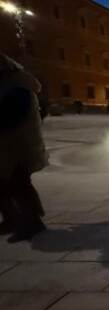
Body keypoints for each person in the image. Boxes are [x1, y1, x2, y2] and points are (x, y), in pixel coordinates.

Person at [0, 54, 48, 242]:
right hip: (13, 145)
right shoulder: (12, 85)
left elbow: (8, 118)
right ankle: (15, 218)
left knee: (17, 182)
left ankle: (32, 221)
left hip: (17, 146)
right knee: (8, 183)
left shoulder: (16, 88)